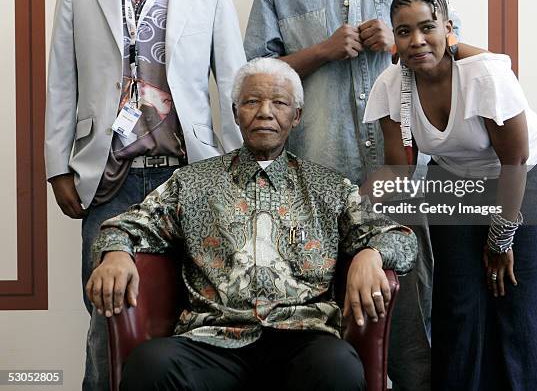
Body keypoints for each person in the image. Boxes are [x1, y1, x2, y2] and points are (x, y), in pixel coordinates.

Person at [244, 0, 459, 391]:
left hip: (405, 178)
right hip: (314, 186)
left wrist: (401, 40)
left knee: (409, 323)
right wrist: (320, 51)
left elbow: (449, 51)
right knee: (325, 328)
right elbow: (254, 82)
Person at [87, 57, 416, 391]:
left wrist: (371, 253)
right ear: (235, 112)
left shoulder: (328, 188)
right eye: (252, 101)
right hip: (213, 342)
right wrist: (115, 251)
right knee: (150, 365)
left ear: (296, 116)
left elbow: (401, 240)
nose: (265, 112)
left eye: (279, 103)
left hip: (303, 340)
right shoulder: (192, 183)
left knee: (339, 367)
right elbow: (127, 225)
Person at [44, 0, 245, 390]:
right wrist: (56, 166)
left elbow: (232, 84)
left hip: (190, 177)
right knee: (108, 317)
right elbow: (62, 79)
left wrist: (237, 173)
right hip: (106, 178)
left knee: (195, 314)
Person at [363, 0, 537, 390]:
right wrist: (354, 201)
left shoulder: (483, 73)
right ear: (394, 38)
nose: (416, 40)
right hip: (456, 180)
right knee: (459, 302)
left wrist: (500, 241)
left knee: (520, 299)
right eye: (404, 31)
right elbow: (398, 169)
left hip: (526, 178)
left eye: (427, 27)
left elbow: (513, 160)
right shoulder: (392, 85)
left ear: (448, 28)